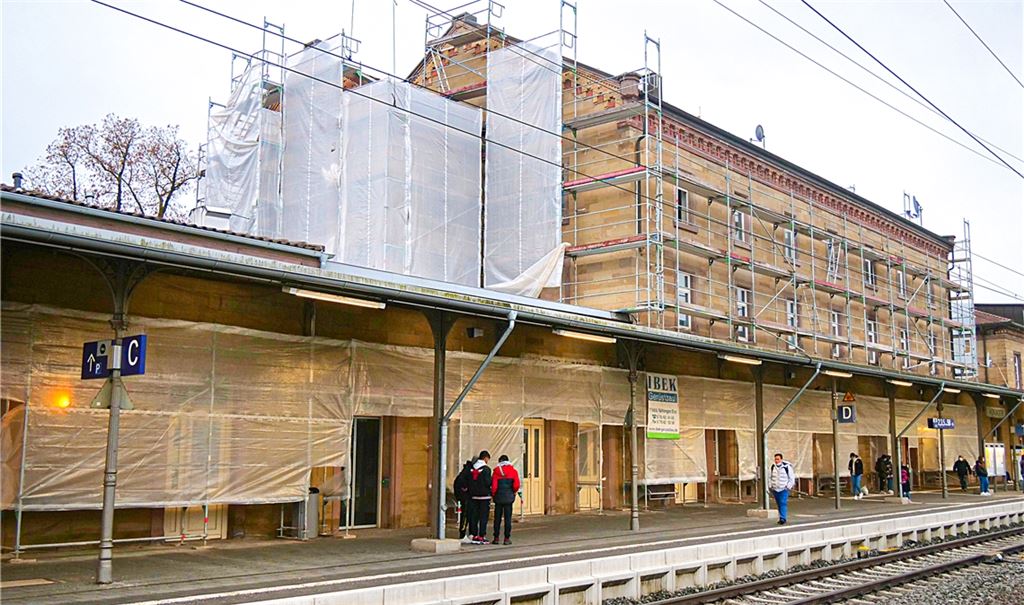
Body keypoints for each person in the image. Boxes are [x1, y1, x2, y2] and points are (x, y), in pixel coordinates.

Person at [490, 454, 521, 545]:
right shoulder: (513, 471)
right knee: (508, 519)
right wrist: (513, 492)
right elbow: (516, 485)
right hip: (509, 497)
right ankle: (507, 538)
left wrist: (493, 494)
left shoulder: (496, 472)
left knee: (497, 518)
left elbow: (494, 486)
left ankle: (496, 538)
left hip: (498, 498)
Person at [468, 450, 492, 543]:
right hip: (484, 496)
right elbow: (488, 482)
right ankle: (482, 535)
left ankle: (474, 534)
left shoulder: (472, 468)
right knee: (483, 517)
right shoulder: (486, 469)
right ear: (485, 458)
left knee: (474, 516)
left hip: (473, 496)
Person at [769, 453, 796, 525]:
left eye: (778, 459)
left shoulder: (787, 467)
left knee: (783, 502)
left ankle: (783, 518)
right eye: (775, 459)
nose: (776, 461)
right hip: (775, 489)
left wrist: (788, 486)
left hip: (784, 489)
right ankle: (781, 517)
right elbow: (770, 477)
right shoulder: (773, 467)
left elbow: (791, 478)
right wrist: (770, 485)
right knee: (779, 503)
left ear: (781, 459)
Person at [453, 458, 475, 542]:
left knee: (468, 515)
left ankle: (467, 533)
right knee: (465, 516)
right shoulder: (468, 472)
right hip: (466, 497)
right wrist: (466, 489)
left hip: (464, 497)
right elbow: (462, 483)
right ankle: (462, 535)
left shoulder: (464, 471)